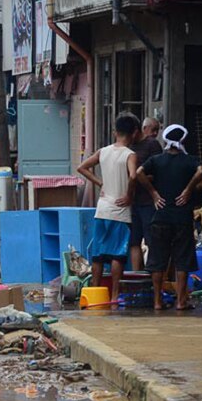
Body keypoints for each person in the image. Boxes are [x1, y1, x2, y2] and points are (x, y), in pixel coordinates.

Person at [136, 124, 202, 310]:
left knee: (158, 261)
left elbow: (138, 173)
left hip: (160, 217)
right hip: (182, 218)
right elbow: (201, 171)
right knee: (182, 261)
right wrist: (189, 189)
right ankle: (181, 301)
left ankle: (157, 301)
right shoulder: (189, 161)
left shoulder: (157, 160)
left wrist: (154, 194)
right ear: (183, 140)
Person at [77, 114, 140, 304]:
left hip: (102, 208)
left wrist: (100, 183)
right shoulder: (130, 154)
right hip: (120, 211)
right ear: (134, 133)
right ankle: (114, 295)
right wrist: (129, 195)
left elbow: (82, 167)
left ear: (115, 133)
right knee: (117, 255)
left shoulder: (103, 151)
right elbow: (134, 176)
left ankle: (96, 292)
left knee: (98, 254)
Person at [128, 117, 164, 270]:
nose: (155, 133)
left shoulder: (152, 145)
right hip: (132, 200)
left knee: (151, 240)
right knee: (134, 241)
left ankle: (152, 273)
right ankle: (136, 273)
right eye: (153, 130)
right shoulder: (128, 145)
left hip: (148, 201)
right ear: (142, 128)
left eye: (157, 130)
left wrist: (137, 178)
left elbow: (158, 172)